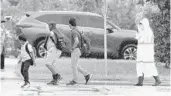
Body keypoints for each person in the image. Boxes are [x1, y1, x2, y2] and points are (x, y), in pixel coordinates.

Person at [135, 17, 161, 86]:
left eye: (141, 24)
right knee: (139, 66)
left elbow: (146, 41)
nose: (140, 26)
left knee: (150, 66)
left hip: (147, 52)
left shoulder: (148, 32)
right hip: (141, 52)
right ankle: (140, 81)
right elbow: (138, 38)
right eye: (140, 24)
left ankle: (157, 80)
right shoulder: (141, 31)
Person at [66, 18, 92, 85]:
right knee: (76, 65)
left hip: (75, 50)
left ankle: (75, 81)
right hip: (78, 50)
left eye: (68, 24)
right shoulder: (77, 30)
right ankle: (87, 75)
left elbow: (76, 41)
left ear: (69, 24)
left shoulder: (73, 31)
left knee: (73, 66)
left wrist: (72, 48)